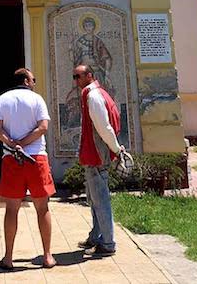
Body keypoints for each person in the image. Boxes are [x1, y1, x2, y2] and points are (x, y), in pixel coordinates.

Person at [0, 68, 57, 270]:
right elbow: (43, 127)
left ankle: (8, 258)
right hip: (36, 158)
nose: (34, 82)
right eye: (33, 79)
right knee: (42, 208)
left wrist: (13, 144)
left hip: (12, 159)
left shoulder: (2, 100)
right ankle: (47, 256)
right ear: (26, 81)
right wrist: (25, 142)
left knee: (12, 209)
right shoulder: (37, 100)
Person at [73, 63, 124, 258]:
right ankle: (96, 236)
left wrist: (116, 149)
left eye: (78, 77)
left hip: (96, 154)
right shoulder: (97, 93)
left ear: (89, 75)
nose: (76, 81)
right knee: (94, 198)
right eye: (74, 77)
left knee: (100, 199)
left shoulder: (93, 96)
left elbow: (104, 127)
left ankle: (108, 243)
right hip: (94, 153)